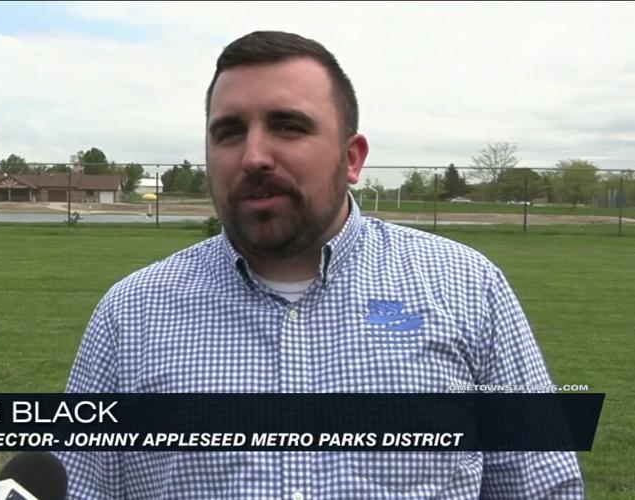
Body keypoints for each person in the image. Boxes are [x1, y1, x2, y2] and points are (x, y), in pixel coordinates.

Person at [57, 31, 583, 499]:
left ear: (352, 158)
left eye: (288, 126)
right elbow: (74, 485)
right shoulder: (131, 315)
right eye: (229, 132)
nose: (254, 156)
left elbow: (542, 485)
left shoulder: (468, 287)